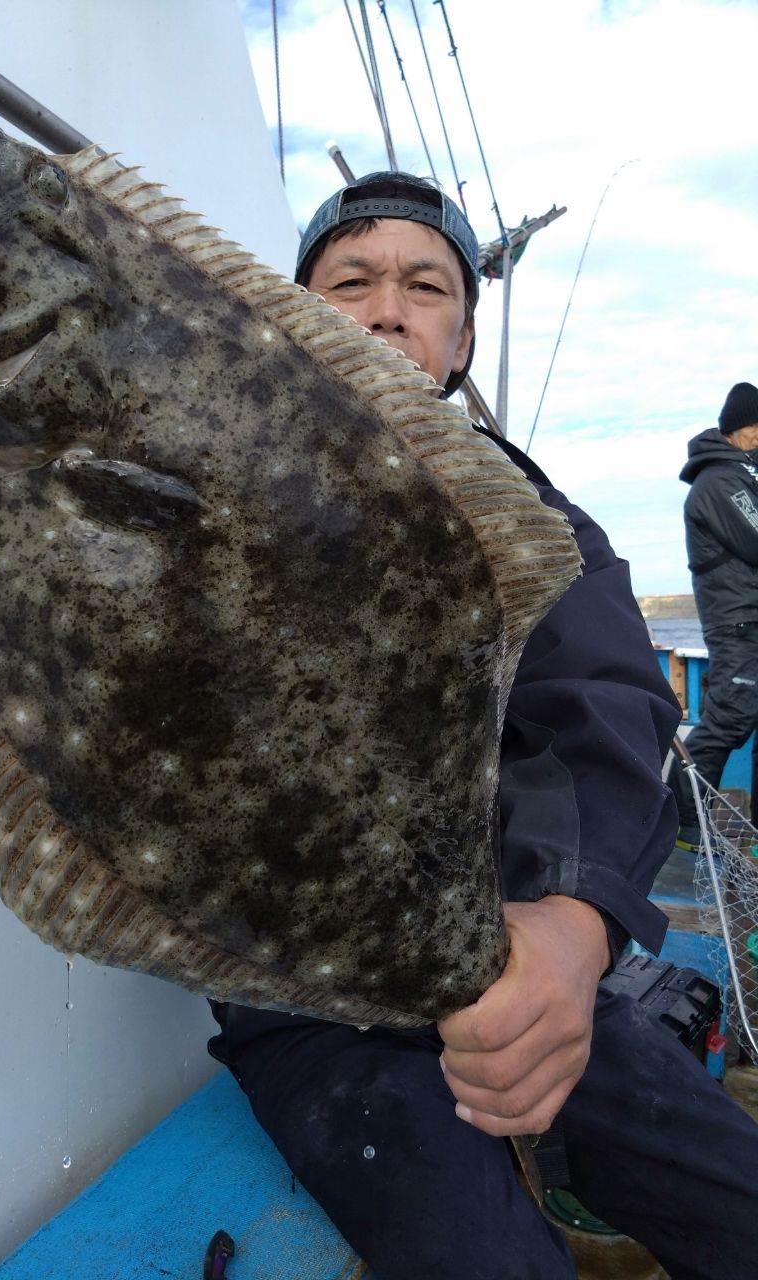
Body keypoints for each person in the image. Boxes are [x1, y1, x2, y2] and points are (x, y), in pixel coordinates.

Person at [207, 172, 758, 1278]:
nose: (385, 308)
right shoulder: (211, 486)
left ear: (459, 340)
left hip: (507, 951)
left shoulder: (535, 518)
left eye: (425, 285)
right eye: (349, 280)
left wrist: (570, 924)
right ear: (294, 317)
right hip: (310, 998)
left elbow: (605, 704)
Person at [667, 381, 758, 845]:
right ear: (741, 430)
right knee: (731, 718)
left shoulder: (739, 476)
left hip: (749, 619)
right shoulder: (720, 482)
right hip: (739, 619)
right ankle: (683, 823)